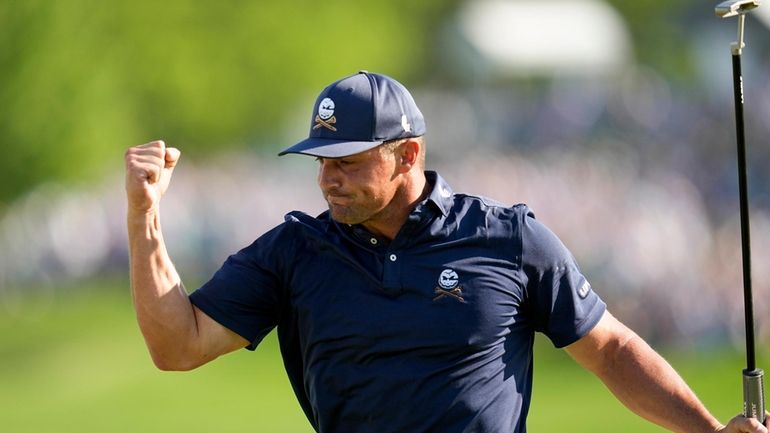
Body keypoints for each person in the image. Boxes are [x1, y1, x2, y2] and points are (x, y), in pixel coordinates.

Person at [125, 70, 769, 433]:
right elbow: (177, 346)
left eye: (347, 162)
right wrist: (144, 216)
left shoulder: (507, 239)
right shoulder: (296, 251)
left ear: (407, 154)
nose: (327, 178)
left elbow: (613, 349)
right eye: (319, 161)